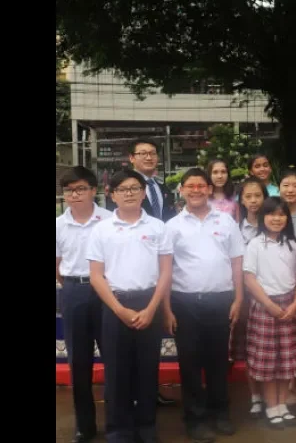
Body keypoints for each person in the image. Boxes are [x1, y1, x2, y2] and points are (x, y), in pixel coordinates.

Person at [87, 169, 174, 443]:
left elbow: (165, 273)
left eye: (134, 188)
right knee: (116, 371)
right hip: (115, 305)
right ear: (112, 195)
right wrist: (119, 309)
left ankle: (147, 427)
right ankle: (119, 430)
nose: (129, 193)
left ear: (143, 192)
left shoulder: (158, 227)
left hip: (149, 301)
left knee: (148, 369)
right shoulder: (101, 229)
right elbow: (95, 276)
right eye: (122, 189)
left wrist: (151, 309)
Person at [162, 169, 244, 442]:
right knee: (190, 363)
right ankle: (195, 419)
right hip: (184, 302)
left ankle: (220, 413)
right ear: (182, 190)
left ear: (209, 189)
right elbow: (165, 270)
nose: (196, 190)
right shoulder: (172, 226)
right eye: (190, 186)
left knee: (219, 362)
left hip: (220, 300)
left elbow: (236, 262)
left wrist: (239, 298)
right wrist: (167, 308)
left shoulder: (226, 221)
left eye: (200, 186)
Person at [105, 139, 177, 407]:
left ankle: (149, 394)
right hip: (126, 277)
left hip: (158, 257)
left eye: (152, 153)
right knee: (123, 352)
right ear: (131, 158)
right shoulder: (124, 189)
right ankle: (129, 402)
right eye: (142, 153)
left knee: (149, 348)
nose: (148, 157)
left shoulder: (160, 187)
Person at [56, 166, 113, 443]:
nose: (74, 195)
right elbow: (56, 266)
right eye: (69, 190)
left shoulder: (109, 220)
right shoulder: (58, 224)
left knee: (114, 357)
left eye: (80, 189)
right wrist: (73, 285)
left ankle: (118, 421)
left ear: (93, 190)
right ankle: (84, 425)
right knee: (78, 361)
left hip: (106, 291)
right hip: (73, 291)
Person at [244, 197, 296, 429]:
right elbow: (249, 278)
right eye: (271, 214)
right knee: (269, 363)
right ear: (263, 218)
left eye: (281, 215)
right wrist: (269, 305)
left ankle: (282, 404)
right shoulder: (255, 244)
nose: (277, 218)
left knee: (286, 361)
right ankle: (271, 406)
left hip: (289, 305)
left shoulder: (291, 245)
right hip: (264, 307)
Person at [230, 177, 269, 418]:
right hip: (246, 296)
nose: (254, 201)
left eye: (258, 196)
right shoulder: (235, 229)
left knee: (269, 347)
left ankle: (273, 395)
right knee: (251, 347)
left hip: (272, 294)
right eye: (248, 197)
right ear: (241, 201)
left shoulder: (275, 224)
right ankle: (255, 396)